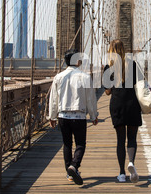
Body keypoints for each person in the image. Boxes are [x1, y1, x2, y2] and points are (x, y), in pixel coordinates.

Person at [47, 49, 98, 185]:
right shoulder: (85, 77)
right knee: (80, 144)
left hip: (63, 116)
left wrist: (52, 116)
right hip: (79, 116)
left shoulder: (58, 77)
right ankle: (74, 166)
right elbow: (90, 99)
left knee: (67, 144)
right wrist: (93, 116)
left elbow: (53, 99)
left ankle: (69, 173)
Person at [103, 40, 142, 183]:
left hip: (117, 105)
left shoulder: (109, 67)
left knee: (120, 140)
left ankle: (121, 173)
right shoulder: (132, 64)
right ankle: (131, 162)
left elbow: (107, 92)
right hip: (132, 104)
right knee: (132, 138)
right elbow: (140, 83)